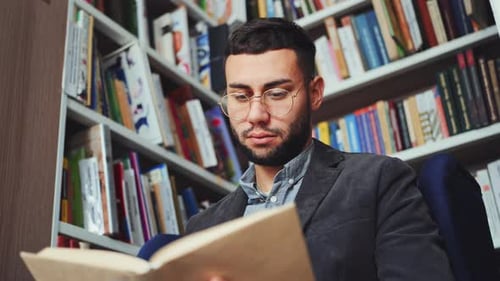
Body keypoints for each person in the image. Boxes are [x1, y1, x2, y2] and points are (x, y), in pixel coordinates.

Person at [185, 18, 454, 281]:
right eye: (241, 97)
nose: (255, 115)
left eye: (277, 93)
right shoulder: (200, 229)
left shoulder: (378, 180)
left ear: (314, 93)